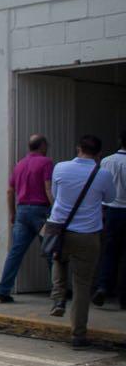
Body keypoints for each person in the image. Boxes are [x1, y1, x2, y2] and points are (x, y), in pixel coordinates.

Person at [48, 134, 116, 349]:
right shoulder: (102, 173)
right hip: (88, 233)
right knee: (82, 285)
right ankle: (78, 334)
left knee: (58, 258)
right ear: (98, 154)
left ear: (78, 148)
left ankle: (58, 297)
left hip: (58, 228)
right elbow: (110, 198)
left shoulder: (60, 167)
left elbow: (57, 195)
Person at [0, 134, 53, 303]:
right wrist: (56, 209)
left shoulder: (19, 164)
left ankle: (3, 289)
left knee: (15, 252)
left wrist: (12, 212)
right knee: (50, 250)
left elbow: (10, 191)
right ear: (42, 146)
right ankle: (58, 290)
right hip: (40, 212)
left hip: (22, 211)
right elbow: (48, 188)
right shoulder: (46, 162)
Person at [93, 129, 126, 308]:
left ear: (120, 140)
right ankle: (124, 295)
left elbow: (100, 187)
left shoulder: (106, 161)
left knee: (109, 251)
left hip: (111, 210)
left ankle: (104, 286)